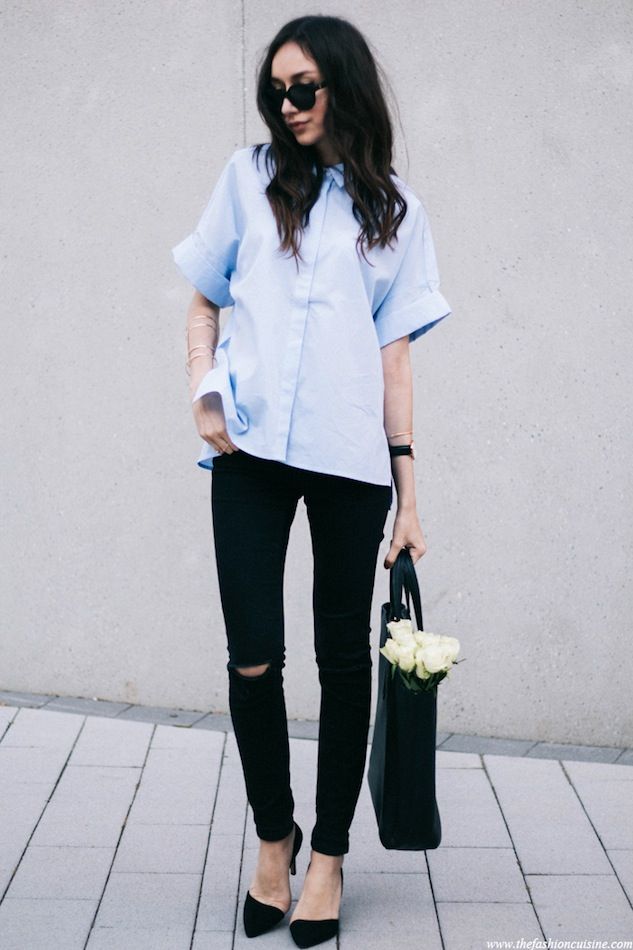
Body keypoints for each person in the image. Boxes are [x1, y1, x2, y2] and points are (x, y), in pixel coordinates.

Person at [171, 14, 451, 948]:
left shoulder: (394, 210)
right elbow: (203, 292)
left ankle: (327, 853)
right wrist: (201, 386)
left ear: (343, 86)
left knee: (340, 663)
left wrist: (408, 494)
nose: (286, 106)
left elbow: (395, 353)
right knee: (252, 652)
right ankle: (272, 834)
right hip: (247, 455)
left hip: (348, 463)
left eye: (303, 88)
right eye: (275, 91)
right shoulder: (247, 180)